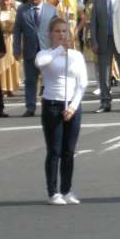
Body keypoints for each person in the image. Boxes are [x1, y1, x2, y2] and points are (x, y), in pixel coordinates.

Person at [35, 17, 87, 205]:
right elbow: (40, 63)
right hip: (52, 105)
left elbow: (82, 83)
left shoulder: (76, 56)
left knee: (69, 151)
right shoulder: (46, 53)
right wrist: (59, 50)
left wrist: (73, 107)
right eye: (57, 31)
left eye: (64, 31)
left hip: (72, 106)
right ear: (50, 34)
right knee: (54, 150)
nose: (61, 34)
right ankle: (53, 192)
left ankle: (67, 190)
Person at [14, 0, 57, 117]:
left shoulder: (51, 9)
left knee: (50, 79)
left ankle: (52, 105)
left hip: (48, 49)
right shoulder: (22, 10)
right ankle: (30, 107)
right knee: (30, 80)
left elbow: (56, 30)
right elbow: (17, 31)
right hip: (30, 50)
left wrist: (58, 48)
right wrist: (16, 48)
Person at [0, 0, 21, 98]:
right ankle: (2, 88)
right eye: (3, 0)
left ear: (11, 1)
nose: (5, 2)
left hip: (12, 40)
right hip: (1, 40)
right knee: (1, 64)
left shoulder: (15, 13)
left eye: (7, 0)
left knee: (13, 64)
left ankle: (11, 88)